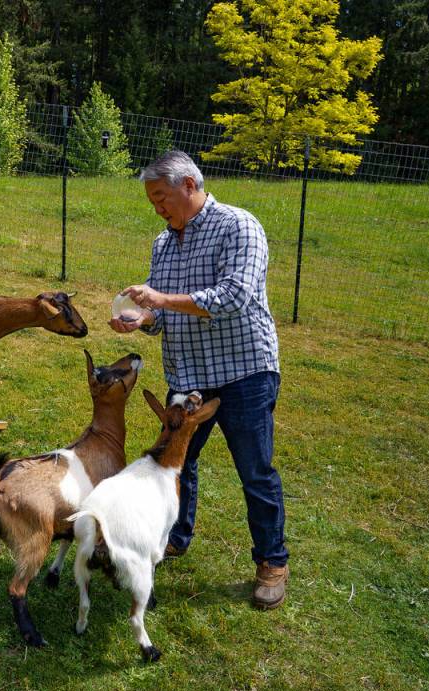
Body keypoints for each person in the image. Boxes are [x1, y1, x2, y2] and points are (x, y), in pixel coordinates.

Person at [110, 149, 289, 609]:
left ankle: (272, 560)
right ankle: (175, 537)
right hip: (189, 375)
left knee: (255, 470)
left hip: (244, 371)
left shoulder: (239, 226)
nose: (157, 208)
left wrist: (162, 300)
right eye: (151, 201)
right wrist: (141, 319)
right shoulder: (163, 243)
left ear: (189, 185)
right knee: (175, 463)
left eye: (161, 197)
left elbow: (233, 297)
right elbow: (163, 315)